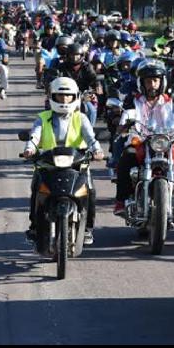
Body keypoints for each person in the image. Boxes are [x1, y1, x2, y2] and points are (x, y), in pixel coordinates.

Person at [22, 77, 105, 245]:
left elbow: (91, 138)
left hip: (77, 164)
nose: (64, 99)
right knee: (37, 191)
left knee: (90, 191)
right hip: (48, 164)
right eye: (60, 96)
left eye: (68, 96)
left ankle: (88, 229)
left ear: (75, 97)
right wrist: (29, 148)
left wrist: (97, 150)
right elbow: (34, 136)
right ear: (52, 97)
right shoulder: (43, 117)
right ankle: (34, 227)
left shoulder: (80, 118)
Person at [113, 60, 174, 220]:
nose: (152, 84)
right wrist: (124, 124)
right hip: (143, 142)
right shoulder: (134, 101)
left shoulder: (171, 102)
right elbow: (124, 118)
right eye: (148, 81)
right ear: (141, 83)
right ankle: (121, 202)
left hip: (165, 141)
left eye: (155, 80)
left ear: (162, 82)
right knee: (127, 156)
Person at [46, 43, 99, 126]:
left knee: (91, 111)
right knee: (49, 108)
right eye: (72, 55)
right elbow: (52, 78)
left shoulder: (87, 67)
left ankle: (90, 132)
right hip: (64, 94)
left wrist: (97, 85)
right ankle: (48, 128)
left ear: (82, 55)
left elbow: (94, 78)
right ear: (67, 55)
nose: (74, 57)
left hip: (82, 94)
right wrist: (49, 82)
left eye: (77, 55)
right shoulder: (61, 67)